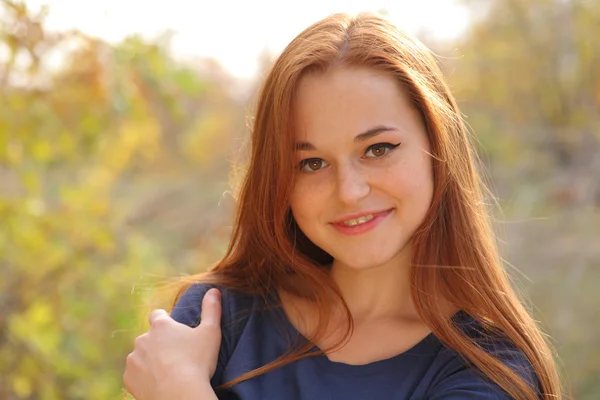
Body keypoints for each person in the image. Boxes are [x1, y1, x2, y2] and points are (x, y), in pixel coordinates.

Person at [123, 12, 562, 400]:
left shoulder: (487, 371)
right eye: (312, 163)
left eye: (378, 149)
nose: (349, 191)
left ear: (437, 147)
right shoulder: (221, 320)